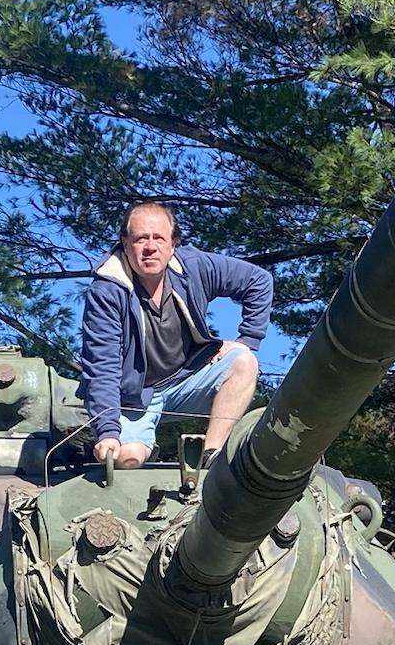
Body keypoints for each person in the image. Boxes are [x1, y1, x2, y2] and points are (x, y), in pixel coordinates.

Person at [79, 200, 271, 467]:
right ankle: (141, 445)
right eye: (140, 239)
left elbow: (258, 281)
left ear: (173, 243)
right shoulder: (107, 291)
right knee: (125, 459)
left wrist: (247, 339)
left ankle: (210, 455)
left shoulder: (194, 267)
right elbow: (102, 367)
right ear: (125, 243)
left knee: (243, 362)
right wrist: (108, 431)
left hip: (187, 380)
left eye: (159, 238)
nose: (150, 247)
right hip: (134, 398)